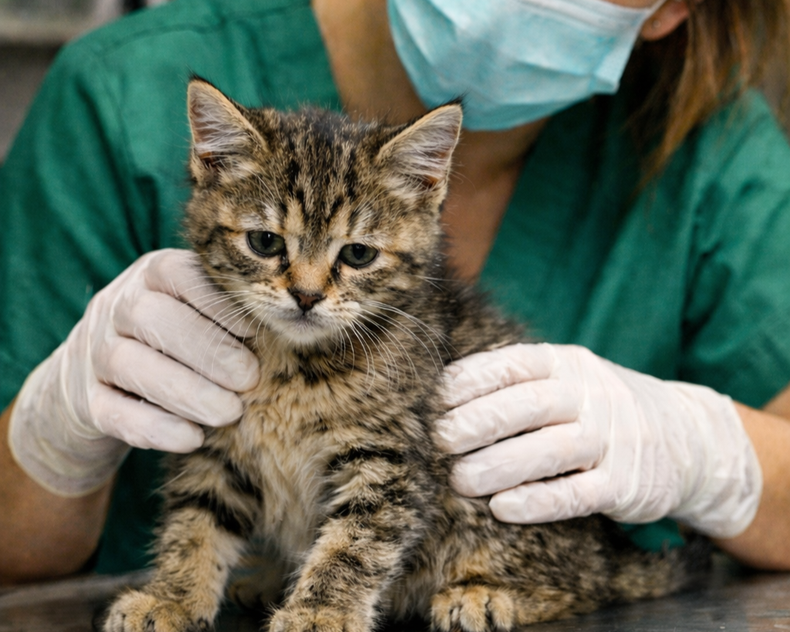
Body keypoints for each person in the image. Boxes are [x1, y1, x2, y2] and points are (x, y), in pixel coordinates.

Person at [2, 0, 790, 585]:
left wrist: (710, 453)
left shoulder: (709, 152)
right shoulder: (119, 95)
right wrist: (58, 431)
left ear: (669, 11)